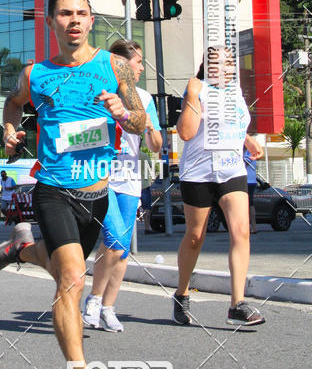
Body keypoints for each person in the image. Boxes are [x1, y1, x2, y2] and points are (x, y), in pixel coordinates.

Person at [0, 0, 146, 369]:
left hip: (96, 193)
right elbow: (11, 103)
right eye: (64, 13)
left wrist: (123, 113)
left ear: (91, 20)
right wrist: (9, 129)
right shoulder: (34, 73)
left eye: (81, 13)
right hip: (54, 189)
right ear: (51, 21)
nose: (73, 20)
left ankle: (22, 250)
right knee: (72, 278)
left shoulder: (115, 66)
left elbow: (142, 125)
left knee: (59, 261)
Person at [173, 45, 265, 327]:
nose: (226, 69)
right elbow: (186, 132)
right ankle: (182, 293)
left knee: (241, 231)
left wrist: (247, 139)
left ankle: (237, 304)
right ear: (206, 66)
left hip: (232, 170)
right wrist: (191, 95)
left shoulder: (235, 91)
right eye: (219, 64)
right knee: (195, 236)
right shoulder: (197, 88)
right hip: (198, 173)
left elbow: (233, 123)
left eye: (230, 64)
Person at [83, 40, 162, 332]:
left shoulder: (144, 97)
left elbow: (155, 145)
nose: (141, 67)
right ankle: (93, 299)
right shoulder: (100, 90)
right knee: (115, 239)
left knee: (122, 250)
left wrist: (151, 126)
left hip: (130, 178)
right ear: (120, 62)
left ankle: (107, 307)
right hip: (101, 175)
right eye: (138, 61)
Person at [244, 147, 258, 234]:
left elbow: (245, 163)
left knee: (249, 204)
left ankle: (253, 226)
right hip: (245, 180)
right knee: (246, 204)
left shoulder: (250, 152)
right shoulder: (243, 152)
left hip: (249, 181)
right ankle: (248, 226)